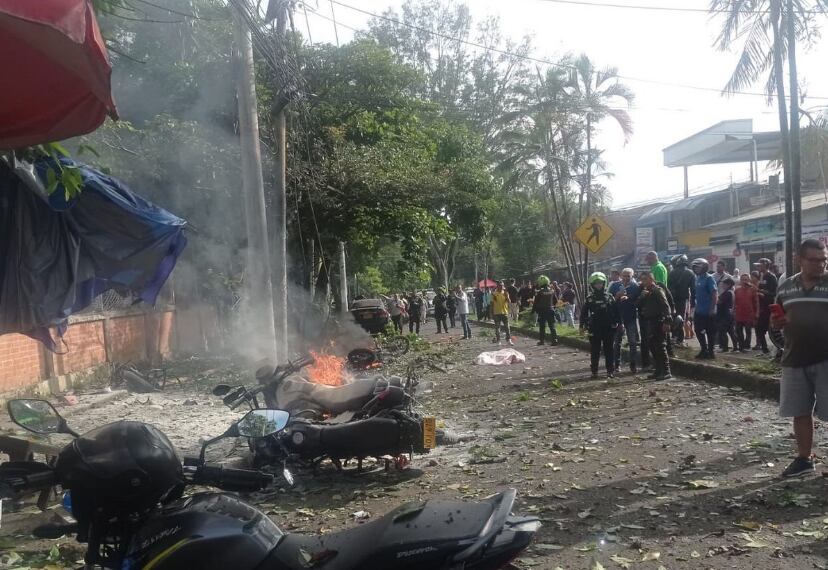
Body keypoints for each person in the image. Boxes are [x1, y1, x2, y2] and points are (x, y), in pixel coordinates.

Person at [772, 239, 828, 478]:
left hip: (826, 358)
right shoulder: (786, 287)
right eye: (814, 260)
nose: (820, 264)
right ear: (799, 260)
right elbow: (776, 321)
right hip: (794, 358)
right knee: (800, 411)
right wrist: (776, 322)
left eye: (824, 260)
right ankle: (804, 459)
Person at [580, 272, 620, 379]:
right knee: (595, 351)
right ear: (592, 285)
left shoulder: (609, 297)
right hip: (594, 328)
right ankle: (594, 371)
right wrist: (582, 326)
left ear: (604, 283)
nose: (598, 285)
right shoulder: (589, 299)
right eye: (596, 283)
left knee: (609, 350)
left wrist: (619, 323)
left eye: (600, 283)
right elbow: (583, 314)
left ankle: (610, 371)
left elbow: (616, 312)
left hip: (608, 328)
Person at [637, 271, 673, 380]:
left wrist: (667, 321)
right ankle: (658, 369)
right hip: (650, 322)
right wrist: (642, 296)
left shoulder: (657, 290)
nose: (643, 282)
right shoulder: (646, 292)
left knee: (660, 346)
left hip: (659, 321)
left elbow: (665, 306)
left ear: (652, 279)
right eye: (642, 280)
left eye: (646, 279)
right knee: (652, 346)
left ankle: (666, 371)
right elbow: (637, 305)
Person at [611, 268, 641, 374]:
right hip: (618, 318)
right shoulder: (614, 285)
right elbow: (609, 301)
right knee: (617, 342)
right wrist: (617, 296)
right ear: (621, 275)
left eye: (628, 276)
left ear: (632, 276)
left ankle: (633, 364)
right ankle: (617, 364)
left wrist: (628, 298)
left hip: (630, 318)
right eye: (624, 275)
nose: (626, 278)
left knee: (632, 342)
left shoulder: (635, 287)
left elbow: (638, 301)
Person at [691, 258, 718, 360]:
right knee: (698, 330)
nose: (695, 269)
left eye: (697, 267)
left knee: (710, 332)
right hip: (699, 310)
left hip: (708, 310)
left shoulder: (709, 278)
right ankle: (704, 349)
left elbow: (714, 294)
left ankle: (711, 352)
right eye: (694, 267)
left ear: (704, 267)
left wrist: (712, 308)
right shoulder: (698, 278)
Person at [668, 254, 695, 346]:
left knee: (674, 317)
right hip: (684, 300)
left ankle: (674, 336)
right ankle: (680, 339)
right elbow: (693, 290)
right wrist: (693, 303)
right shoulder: (690, 273)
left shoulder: (672, 273)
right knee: (682, 318)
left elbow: (668, 288)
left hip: (672, 300)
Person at [754, 257, 778, 354]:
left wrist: (762, 292)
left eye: (760, 265)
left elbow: (774, 292)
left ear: (765, 265)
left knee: (771, 329)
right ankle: (765, 349)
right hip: (761, 306)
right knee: (759, 328)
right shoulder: (761, 276)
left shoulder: (771, 276)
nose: (758, 267)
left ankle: (777, 348)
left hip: (768, 306)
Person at [734, 273, 758, 352]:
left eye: (746, 279)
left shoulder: (752, 289)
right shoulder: (737, 290)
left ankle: (747, 345)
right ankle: (741, 346)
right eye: (743, 279)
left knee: (748, 331)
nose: (744, 281)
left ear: (749, 280)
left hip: (749, 314)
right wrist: (734, 311)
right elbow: (735, 302)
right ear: (740, 281)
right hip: (739, 314)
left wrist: (757, 313)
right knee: (738, 331)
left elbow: (756, 302)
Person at [533, 275, 559, 346]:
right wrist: (553, 307)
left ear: (540, 283)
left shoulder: (540, 292)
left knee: (542, 326)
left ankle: (542, 341)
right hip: (550, 310)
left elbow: (536, 302)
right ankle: (555, 340)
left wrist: (533, 310)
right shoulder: (552, 291)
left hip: (542, 311)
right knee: (552, 326)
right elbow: (556, 301)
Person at [716, 277, 738, 351]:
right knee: (731, 331)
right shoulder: (731, 292)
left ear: (728, 285)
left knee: (723, 331)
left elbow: (719, 301)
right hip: (729, 314)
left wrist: (716, 299)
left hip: (724, 315)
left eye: (724, 284)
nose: (723, 285)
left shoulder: (727, 293)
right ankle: (735, 347)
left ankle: (725, 347)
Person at [490, 281, 513, 345]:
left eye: (502, 285)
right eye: (500, 285)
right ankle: (498, 340)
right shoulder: (494, 294)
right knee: (497, 328)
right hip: (496, 313)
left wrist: (507, 296)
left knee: (507, 327)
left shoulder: (505, 293)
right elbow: (491, 304)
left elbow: (509, 302)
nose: (501, 287)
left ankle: (508, 340)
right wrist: (491, 313)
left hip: (505, 312)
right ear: (497, 286)